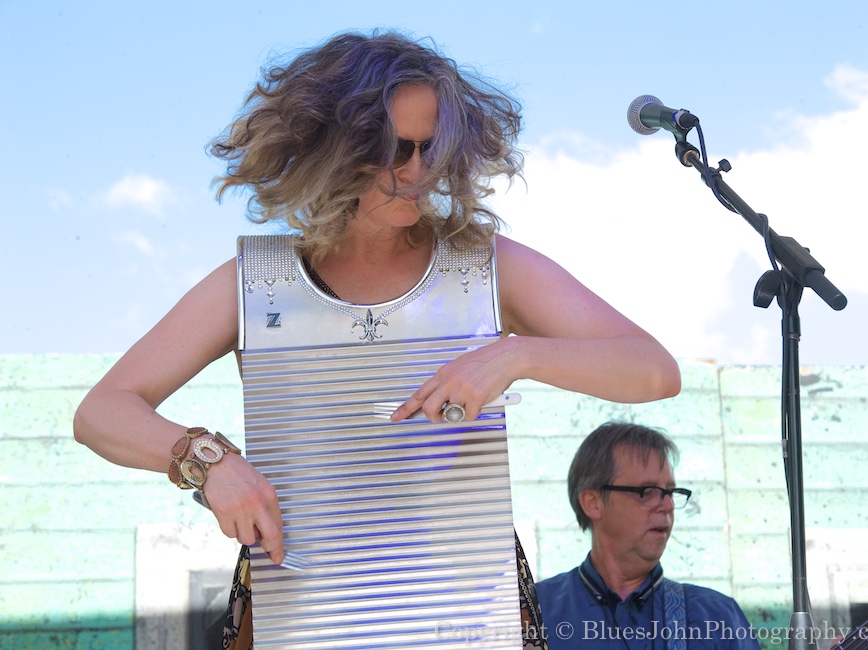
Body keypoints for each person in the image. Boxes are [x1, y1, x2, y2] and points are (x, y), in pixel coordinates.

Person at [72, 31, 681, 649]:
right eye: (394, 148)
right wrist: (208, 462)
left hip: (470, 612)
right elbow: (101, 411)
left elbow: (655, 370)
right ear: (333, 148)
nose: (417, 171)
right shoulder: (257, 282)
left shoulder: (486, 267)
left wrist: (514, 354)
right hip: (303, 614)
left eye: (430, 148)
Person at [536, 423, 759, 649]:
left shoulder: (718, 618)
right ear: (593, 503)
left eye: (670, 492)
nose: (667, 505)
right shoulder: (534, 613)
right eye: (647, 491)